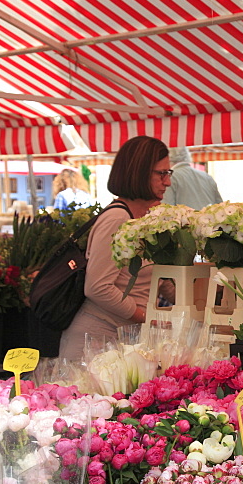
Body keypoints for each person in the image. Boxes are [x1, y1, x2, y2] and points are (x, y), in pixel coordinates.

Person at [59, 136, 171, 359]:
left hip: (125, 337)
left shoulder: (145, 218)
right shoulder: (117, 219)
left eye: (169, 174)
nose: (167, 182)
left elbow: (153, 279)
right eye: (162, 174)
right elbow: (98, 287)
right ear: (139, 173)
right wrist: (144, 316)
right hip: (97, 341)